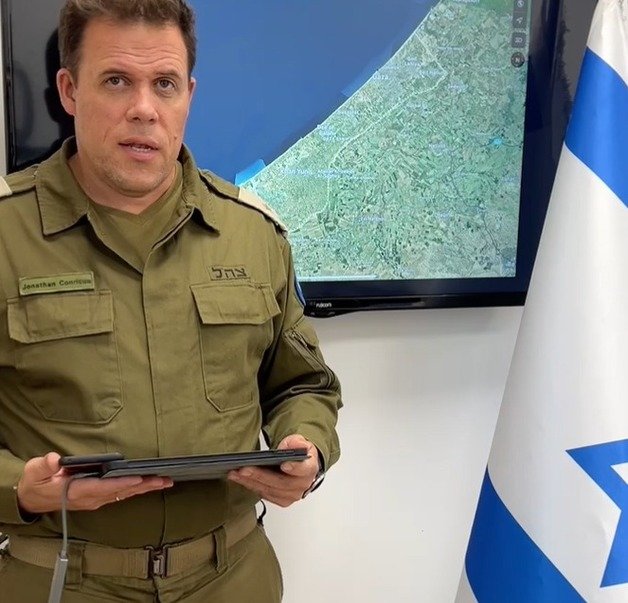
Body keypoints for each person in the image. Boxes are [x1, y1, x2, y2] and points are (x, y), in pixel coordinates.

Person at [0, 1, 342, 601]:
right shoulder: (6, 234)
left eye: (164, 84)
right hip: (63, 580)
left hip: (233, 577)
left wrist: (306, 448)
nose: (144, 108)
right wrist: (19, 488)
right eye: (116, 81)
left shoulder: (253, 234)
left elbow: (302, 385)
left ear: (189, 94)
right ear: (69, 91)